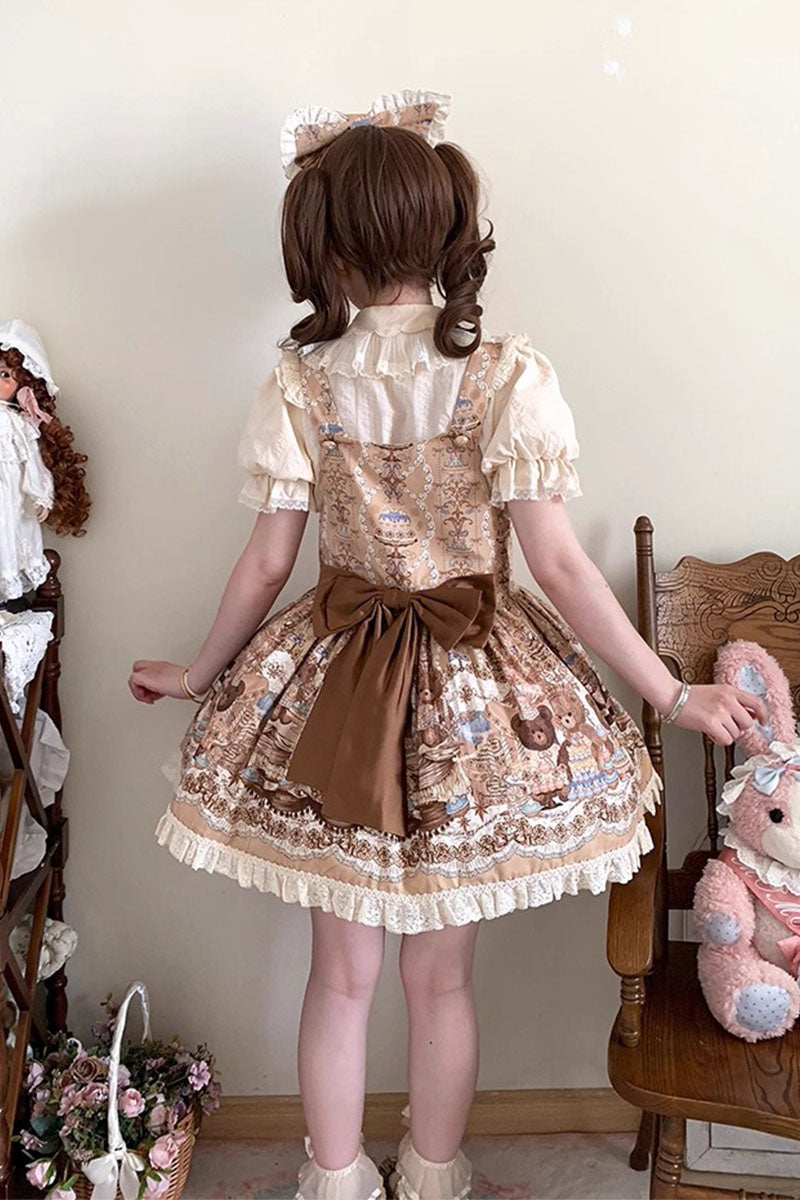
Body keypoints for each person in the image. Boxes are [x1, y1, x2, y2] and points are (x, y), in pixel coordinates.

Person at [129, 90, 767, 1200]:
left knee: (338, 979)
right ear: (444, 226)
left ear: (326, 241)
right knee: (441, 981)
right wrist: (668, 695)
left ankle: (334, 1181)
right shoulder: (504, 374)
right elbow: (558, 566)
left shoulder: (301, 380)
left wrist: (199, 674)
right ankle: (432, 1178)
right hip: (477, 702)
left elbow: (267, 567)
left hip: (334, 688)